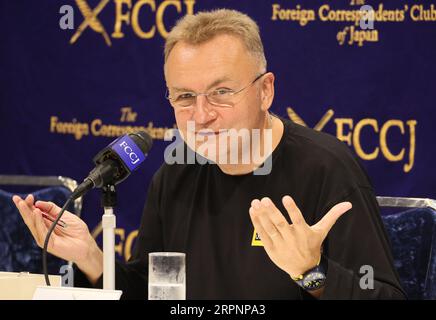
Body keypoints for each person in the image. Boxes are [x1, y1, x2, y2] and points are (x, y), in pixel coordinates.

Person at [13, 9, 406, 299]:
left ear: (265, 90)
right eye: (185, 97)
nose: (202, 115)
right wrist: (92, 259)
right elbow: (156, 291)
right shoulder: (177, 173)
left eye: (221, 92)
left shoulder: (326, 169)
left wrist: (311, 272)